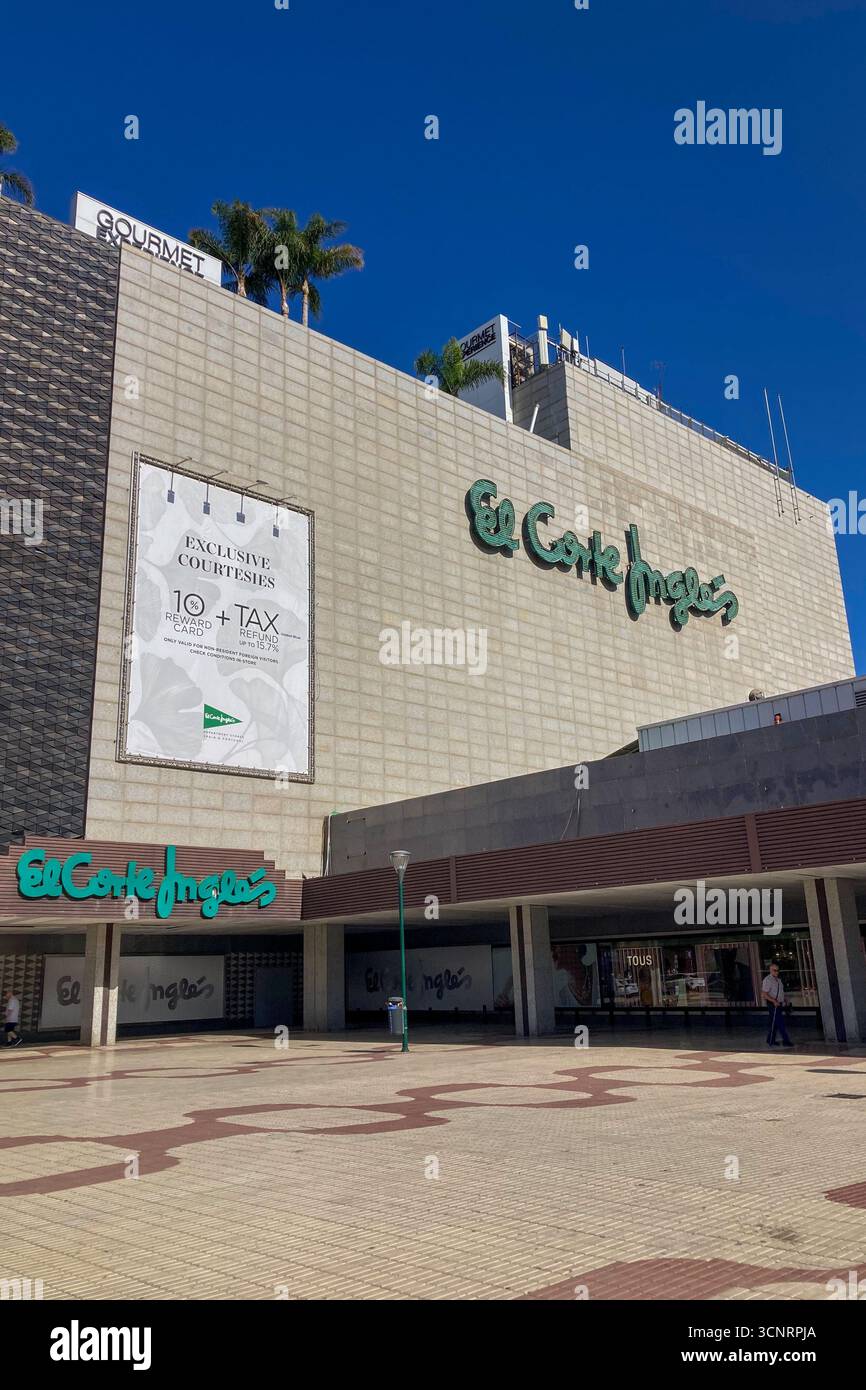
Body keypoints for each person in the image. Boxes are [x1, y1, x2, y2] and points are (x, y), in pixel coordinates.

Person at [761, 961, 793, 1047]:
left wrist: (785, 1000)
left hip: (779, 1003)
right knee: (780, 1022)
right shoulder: (767, 980)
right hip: (773, 1004)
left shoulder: (778, 980)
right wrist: (773, 1001)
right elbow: (764, 994)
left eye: (778, 970)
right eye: (774, 970)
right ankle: (786, 1040)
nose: (776, 972)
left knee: (774, 1023)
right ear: (770, 970)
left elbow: (781, 992)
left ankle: (770, 1039)